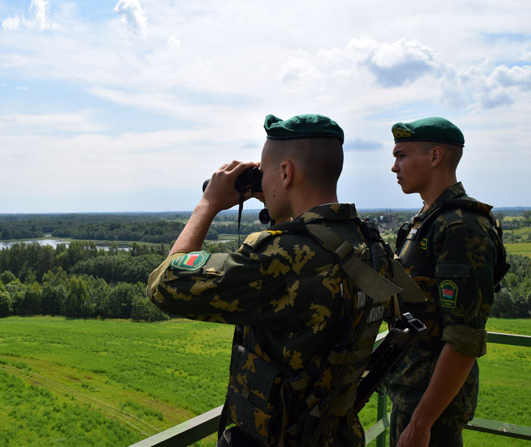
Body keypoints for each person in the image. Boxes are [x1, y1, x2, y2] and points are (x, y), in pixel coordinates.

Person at [147, 114, 399, 446]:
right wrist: (280, 198)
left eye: (266, 175)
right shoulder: (368, 244)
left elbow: (164, 283)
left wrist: (207, 204)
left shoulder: (280, 257)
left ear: (286, 172)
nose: (262, 185)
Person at [386, 117, 508, 447]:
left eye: (401, 156)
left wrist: (420, 424)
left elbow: (463, 337)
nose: (394, 167)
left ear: (435, 156)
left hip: (431, 408)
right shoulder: (430, 219)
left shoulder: (460, 227)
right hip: (412, 393)